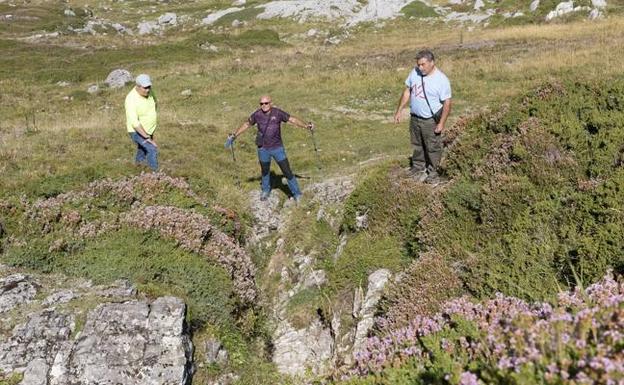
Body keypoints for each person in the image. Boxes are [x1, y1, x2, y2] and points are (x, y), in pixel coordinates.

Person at [226, 95, 314, 202]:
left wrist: (305, 126)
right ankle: (265, 190)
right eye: (261, 104)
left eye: (266, 103)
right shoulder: (257, 114)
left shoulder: (277, 113)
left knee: (287, 171)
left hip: (277, 148)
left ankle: (297, 194)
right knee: (265, 171)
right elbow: (247, 124)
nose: (264, 106)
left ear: (270, 103)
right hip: (263, 149)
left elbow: (292, 119)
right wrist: (235, 135)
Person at [394, 49, 452, 184]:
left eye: (423, 64)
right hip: (415, 117)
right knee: (417, 144)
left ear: (432, 63)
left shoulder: (441, 80)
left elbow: (447, 104)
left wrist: (441, 123)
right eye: (418, 64)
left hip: (430, 120)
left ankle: (433, 172)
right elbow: (408, 91)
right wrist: (399, 110)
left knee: (432, 147)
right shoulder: (414, 73)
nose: (420, 67)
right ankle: (418, 167)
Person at [125, 74, 159, 171]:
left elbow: (155, 102)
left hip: (149, 129)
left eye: (149, 87)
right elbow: (134, 123)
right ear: (138, 86)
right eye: (145, 88)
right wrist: (147, 137)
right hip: (136, 131)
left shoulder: (150, 92)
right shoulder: (131, 99)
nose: (148, 90)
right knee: (152, 148)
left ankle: (137, 170)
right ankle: (155, 177)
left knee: (143, 151)